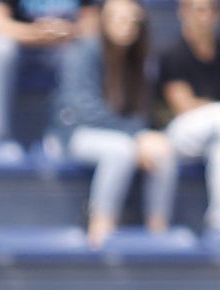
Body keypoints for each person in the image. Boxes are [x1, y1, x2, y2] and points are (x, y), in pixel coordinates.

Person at [51, 0, 176, 247]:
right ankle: (101, 229)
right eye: (118, 18)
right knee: (121, 151)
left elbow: (143, 109)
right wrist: (135, 135)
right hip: (74, 133)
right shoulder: (83, 51)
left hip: (122, 134)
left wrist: (141, 134)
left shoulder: (141, 58)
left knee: (162, 150)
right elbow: (83, 110)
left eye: (132, 20)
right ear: (104, 20)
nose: (125, 25)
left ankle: (158, 230)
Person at [0, 0, 99, 142]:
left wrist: (68, 31)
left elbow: (93, 24)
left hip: (61, 47)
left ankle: (70, 134)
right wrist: (36, 33)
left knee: (83, 49)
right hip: (19, 45)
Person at [159, 0, 220, 232]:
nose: (205, 17)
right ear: (183, 13)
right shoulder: (173, 52)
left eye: (211, 10)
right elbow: (184, 106)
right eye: (198, 10)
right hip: (176, 135)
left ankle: (217, 222)